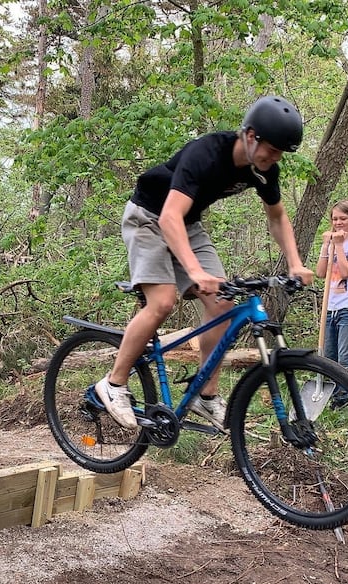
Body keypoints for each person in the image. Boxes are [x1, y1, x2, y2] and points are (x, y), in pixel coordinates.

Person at [95, 95, 314, 430]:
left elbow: (277, 217)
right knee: (163, 302)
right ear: (251, 136)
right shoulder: (207, 153)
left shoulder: (264, 170)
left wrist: (296, 264)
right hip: (148, 218)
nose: (275, 158)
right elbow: (168, 217)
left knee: (223, 302)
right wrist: (195, 272)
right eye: (272, 150)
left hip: (187, 224)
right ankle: (113, 385)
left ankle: (206, 395)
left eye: (280, 153)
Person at [315, 199, 348, 408]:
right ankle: (340, 398)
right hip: (331, 308)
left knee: (347, 358)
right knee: (330, 357)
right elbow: (320, 273)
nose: (337, 222)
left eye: (343, 218)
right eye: (334, 218)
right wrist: (327, 246)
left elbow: (346, 272)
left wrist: (338, 245)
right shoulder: (330, 241)